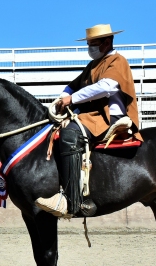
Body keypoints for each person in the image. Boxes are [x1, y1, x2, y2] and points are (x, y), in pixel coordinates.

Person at [35, 24, 142, 217]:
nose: (89, 48)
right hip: (91, 114)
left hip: (108, 116)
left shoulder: (118, 61)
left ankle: (71, 199)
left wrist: (72, 99)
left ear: (107, 42)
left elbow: (106, 87)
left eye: (93, 44)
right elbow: (72, 86)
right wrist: (61, 98)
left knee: (70, 132)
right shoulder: (93, 65)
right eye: (89, 44)